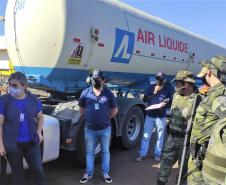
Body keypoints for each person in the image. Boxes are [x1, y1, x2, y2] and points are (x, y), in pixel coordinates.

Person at [0, 72, 47, 185]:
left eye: (15, 86)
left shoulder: (34, 100)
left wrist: (39, 132)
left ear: (24, 86)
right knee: (17, 173)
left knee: (38, 169)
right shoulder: (4, 101)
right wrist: (1, 145)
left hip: (31, 142)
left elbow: (40, 118)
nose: (11, 88)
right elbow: (0, 124)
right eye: (10, 85)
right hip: (12, 144)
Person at [187, 56, 226, 185]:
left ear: (209, 72)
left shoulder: (219, 97)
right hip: (200, 156)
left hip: (204, 161)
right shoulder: (214, 93)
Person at [157, 70, 196, 185]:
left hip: (185, 141)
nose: (175, 86)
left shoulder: (197, 100)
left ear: (185, 84)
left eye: (177, 83)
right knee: (164, 166)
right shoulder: (176, 95)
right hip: (171, 138)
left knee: (183, 171)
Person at [79, 70, 118, 184]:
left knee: (105, 151)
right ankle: (89, 173)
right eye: (94, 79)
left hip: (105, 129)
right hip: (90, 129)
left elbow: (114, 110)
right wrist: (89, 118)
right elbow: (81, 109)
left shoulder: (109, 94)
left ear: (103, 80)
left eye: (98, 79)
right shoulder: (85, 93)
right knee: (90, 152)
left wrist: (105, 119)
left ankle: (105, 173)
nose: (96, 81)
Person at [135, 72, 173, 162]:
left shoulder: (168, 88)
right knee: (146, 135)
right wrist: (153, 93)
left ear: (164, 80)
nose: (159, 81)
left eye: (161, 79)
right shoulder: (152, 87)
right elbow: (144, 99)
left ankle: (157, 154)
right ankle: (142, 154)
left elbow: (171, 101)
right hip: (150, 115)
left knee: (160, 136)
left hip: (161, 116)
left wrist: (166, 103)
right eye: (158, 79)